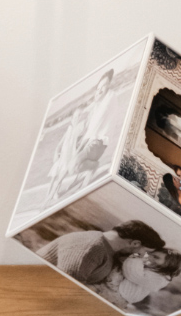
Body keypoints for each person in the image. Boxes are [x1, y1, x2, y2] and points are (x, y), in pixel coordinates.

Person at [46, 69, 116, 203]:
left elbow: (93, 128)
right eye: (98, 88)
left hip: (98, 141)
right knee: (64, 169)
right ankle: (51, 194)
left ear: (108, 87)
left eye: (104, 87)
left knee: (71, 166)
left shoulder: (108, 100)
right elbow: (85, 126)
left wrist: (79, 147)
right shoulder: (95, 107)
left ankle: (92, 167)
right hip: (84, 143)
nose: (100, 90)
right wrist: (59, 150)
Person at [51, 219, 165, 284]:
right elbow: (64, 287)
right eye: (146, 251)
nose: (144, 256)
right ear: (135, 243)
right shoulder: (91, 248)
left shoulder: (108, 249)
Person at [116, 248, 181, 304]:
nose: (149, 257)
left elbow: (133, 274)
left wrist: (135, 258)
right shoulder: (154, 267)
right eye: (150, 254)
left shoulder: (159, 279)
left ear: (168, 265)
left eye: (156, 257)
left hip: (121, 295)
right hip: (120, 291)